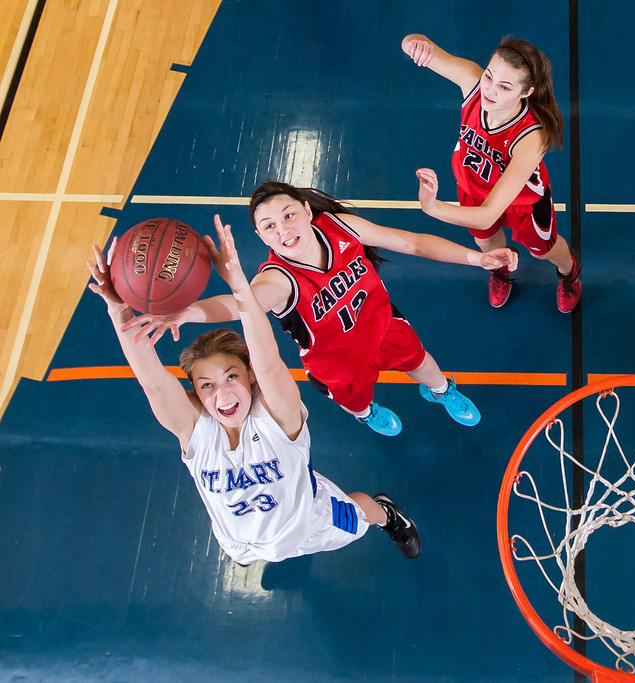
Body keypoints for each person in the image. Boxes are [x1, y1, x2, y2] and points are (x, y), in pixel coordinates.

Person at [87, 216, 421, 564]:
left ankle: (387, 514)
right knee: (244, 553)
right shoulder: (195, 430)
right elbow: (153, 381)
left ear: (249, 375)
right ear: (196, 393)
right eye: (207, 385)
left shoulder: (277, 416)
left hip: (313, 523)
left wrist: (239, 286)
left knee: (363, 516)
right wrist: (118, 308)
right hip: (238, 542)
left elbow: (268, 364)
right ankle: (260, 548)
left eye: (231, 377)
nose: (222, 394)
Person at [126, 180, 519, 437]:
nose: (283, 229)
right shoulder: (278, 280)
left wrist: (476, 259)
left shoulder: (341, 227)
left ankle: (441, 391)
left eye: (288, 215)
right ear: (261, 236)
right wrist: (187, 312)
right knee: (358, 403)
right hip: (337, 364)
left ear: (307, 210)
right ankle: (367, 413)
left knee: (425, 364)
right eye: (269, 226)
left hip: (384, 327)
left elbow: (412, 243)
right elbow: (238, 303)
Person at [402, 34, 580, 313]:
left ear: (526, 93)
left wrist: (433, 208)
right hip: (473, 188)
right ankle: (500, 270)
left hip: (524, 204)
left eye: (504, 86)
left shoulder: (531, 137)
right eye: (489, 76)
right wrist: (415, 45)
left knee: (544, 250)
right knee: (486, 242)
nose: (490, 89)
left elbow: (487, 214)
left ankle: (568, 271)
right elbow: (414, 43)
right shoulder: (473, 82)